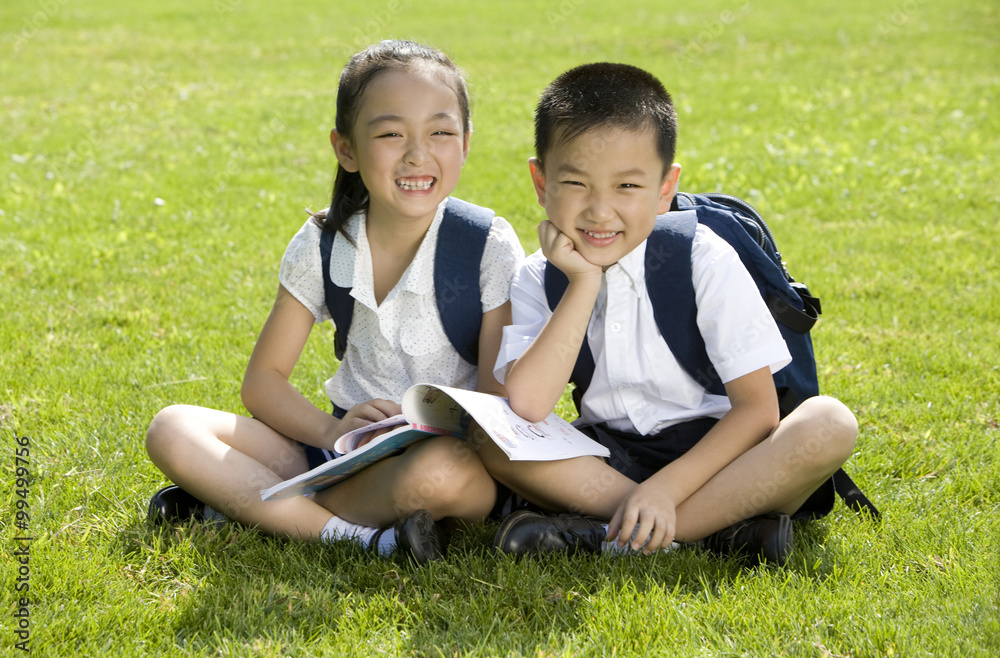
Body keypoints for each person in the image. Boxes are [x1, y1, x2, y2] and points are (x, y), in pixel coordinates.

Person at [144, 40, 524, 564]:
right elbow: (264, 381)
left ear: (464, 143)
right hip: (340, 451)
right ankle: (358, 535)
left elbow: (500, 404)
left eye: (441, 132)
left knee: (442, 473)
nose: (418, 153)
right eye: (391, 134)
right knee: (172, 427)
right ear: (346, 148)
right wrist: (334, 431)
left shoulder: (486, 244)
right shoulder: (327, 241)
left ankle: (252, 505)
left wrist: (436, 425)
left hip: (449, 460)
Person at [477, 62, 858, 566]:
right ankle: (718, 530)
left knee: (830, 424)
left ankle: (609, 534)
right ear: (540, 181)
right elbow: (527, 406)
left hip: (727, 457)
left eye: (627, 187)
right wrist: (582, 283)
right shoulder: (537, 276)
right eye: (576, 183)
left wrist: (667, 490)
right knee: (489, 437)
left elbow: (757, 411)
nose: (599, 211)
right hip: (612, 463)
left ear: (664, 188)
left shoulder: (702, 257)